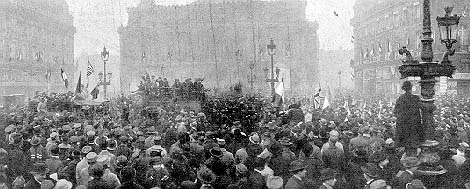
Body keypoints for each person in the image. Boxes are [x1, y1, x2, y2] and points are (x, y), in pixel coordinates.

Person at [393, 81, 424, 154]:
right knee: (413, 147)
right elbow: (423, 108)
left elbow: (395, 112)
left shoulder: (400, 99)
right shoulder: (415, 98)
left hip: (403, 128)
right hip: (414, 127)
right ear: (411, 88)